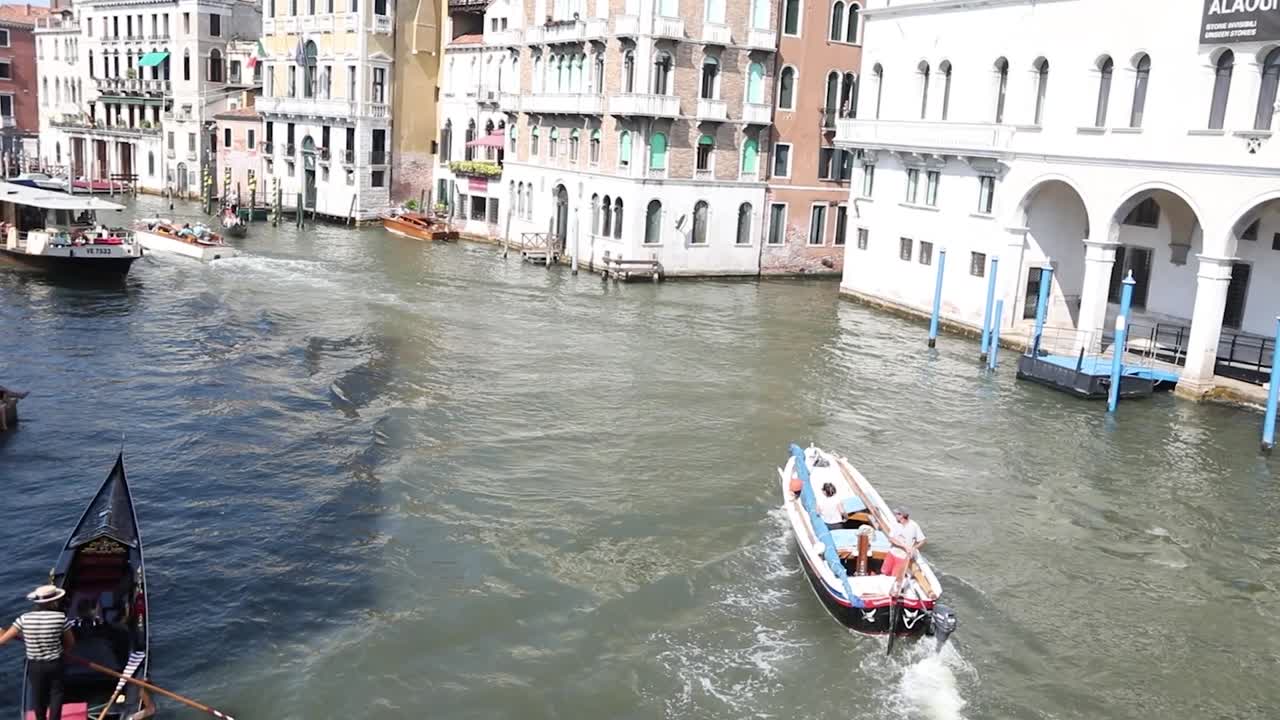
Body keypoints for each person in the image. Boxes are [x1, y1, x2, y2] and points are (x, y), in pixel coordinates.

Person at [0, 585, 76, 720]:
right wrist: (62, 652)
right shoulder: (60, 618)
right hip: (55, 663)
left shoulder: (24, 619)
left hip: (35, 665)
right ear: (54, 601)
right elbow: (70, 642)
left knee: (37, 696)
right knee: (56, 694)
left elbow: (3, 641)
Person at [881, 508, 926, 595]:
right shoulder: (895, 524)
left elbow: (922, 540)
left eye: (897, 514)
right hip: (892, 552)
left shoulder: (914, 526)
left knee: (895, 576)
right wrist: (905, 546)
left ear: (903, 516)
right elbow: (891, 538)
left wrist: (914, 548)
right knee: (884, 571)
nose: (895, 516)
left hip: (902, 557)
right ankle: (886, 587)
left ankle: (892, 592)